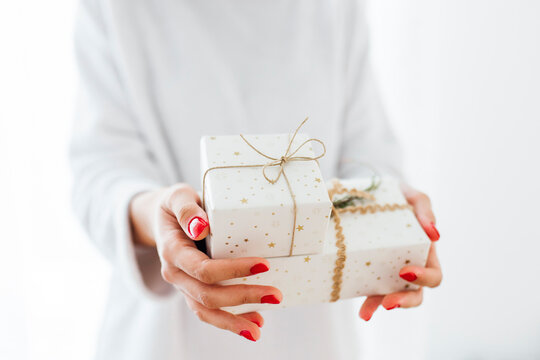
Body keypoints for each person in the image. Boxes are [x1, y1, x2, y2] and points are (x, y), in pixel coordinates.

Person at [70, 0, 442, 359]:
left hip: (312, 332)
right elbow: (99, 172)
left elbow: (369, 154)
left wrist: (395, 217)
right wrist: (158, 216)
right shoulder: (116, 6)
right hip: (164, 336)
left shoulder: (335, 6)